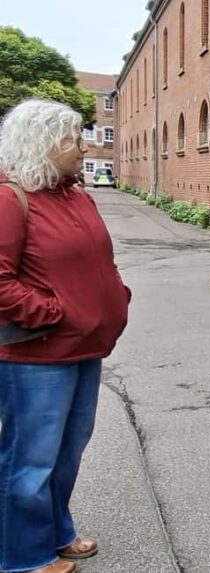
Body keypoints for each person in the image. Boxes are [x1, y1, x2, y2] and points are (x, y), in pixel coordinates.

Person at [0, 99, 131, 573]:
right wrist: (54, 313)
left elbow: (99, 262)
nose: (85, 146)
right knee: (30, 459)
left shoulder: (76, 195)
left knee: (66, 453)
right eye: (72, 138)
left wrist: (118, 297)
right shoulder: (11, 199)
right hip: (35, 356)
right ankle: (21, 555)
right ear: (39, 144)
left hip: (85, 349)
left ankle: (56, 531)